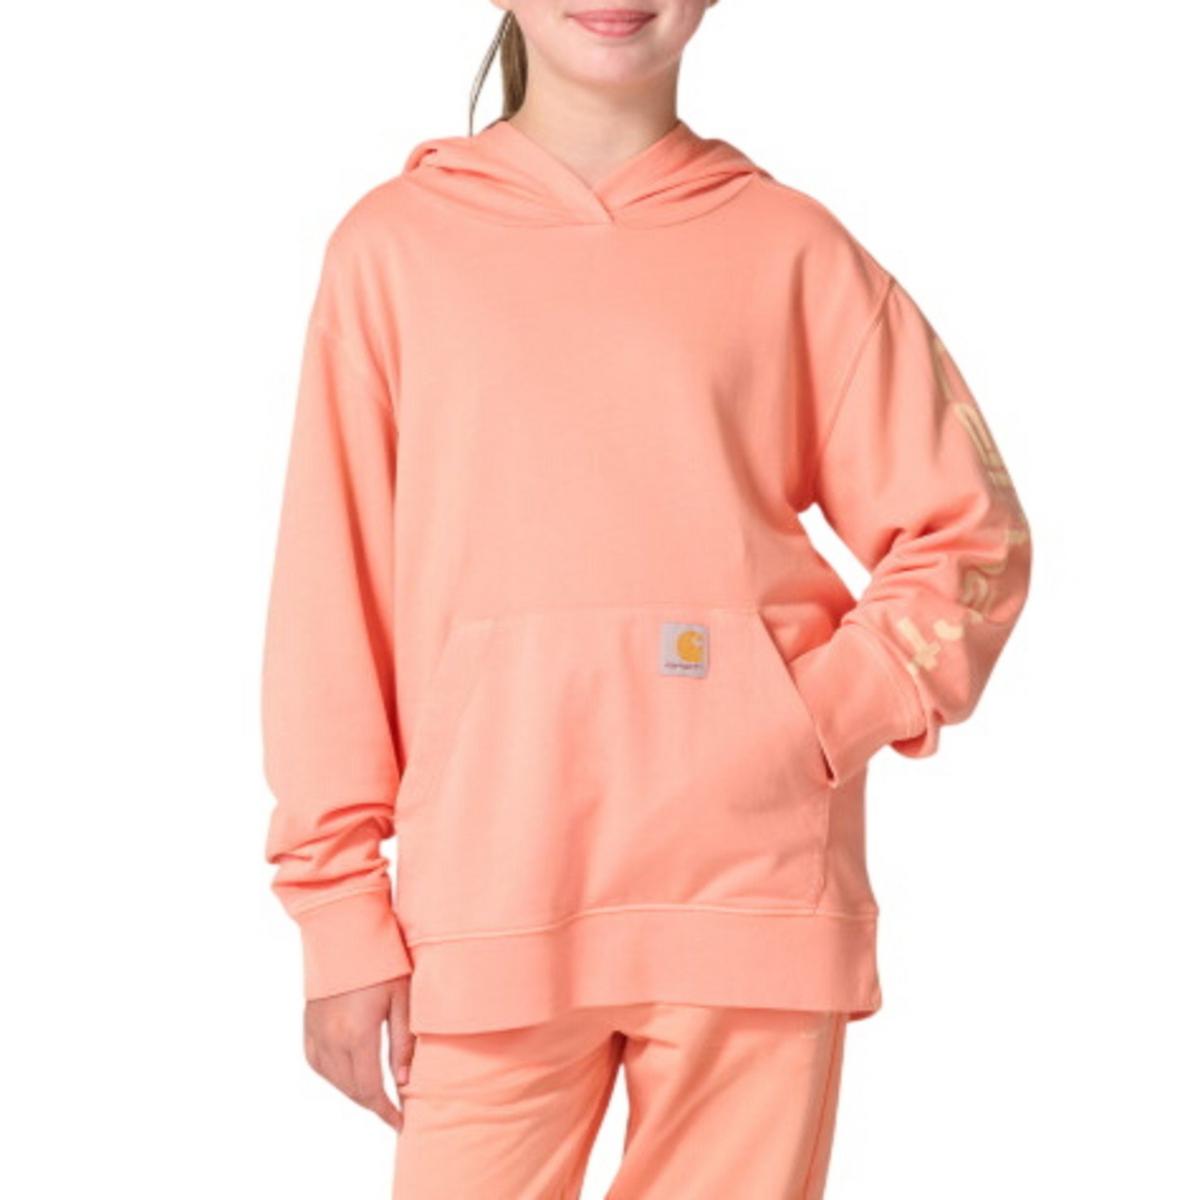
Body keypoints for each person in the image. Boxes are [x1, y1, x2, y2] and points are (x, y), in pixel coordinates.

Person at [260, 2, 1034, 1195]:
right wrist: (339, 912)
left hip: (751, 896)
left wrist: (807, 722)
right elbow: (334, 591)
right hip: (491, 892)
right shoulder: (395, 251)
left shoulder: (792, 249)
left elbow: (969, 533)